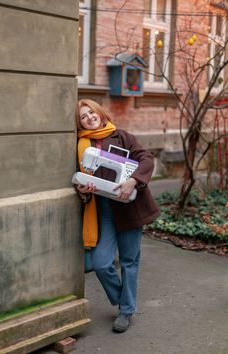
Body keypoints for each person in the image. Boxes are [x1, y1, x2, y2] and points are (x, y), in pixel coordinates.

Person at [74, 99, 160, 333]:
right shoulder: (82, 145)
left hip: (129, 208)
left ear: (100, 113)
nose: (90, 117)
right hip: (104, 211)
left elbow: (147, 159)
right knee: (101, 263)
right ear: (80, 123)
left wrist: (132, 181)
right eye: (83, 116)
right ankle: (124, 301)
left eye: (92, 112)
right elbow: (81, 178)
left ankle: (126, 311)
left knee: (130, 261)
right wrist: (84, 191)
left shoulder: (122, 136)